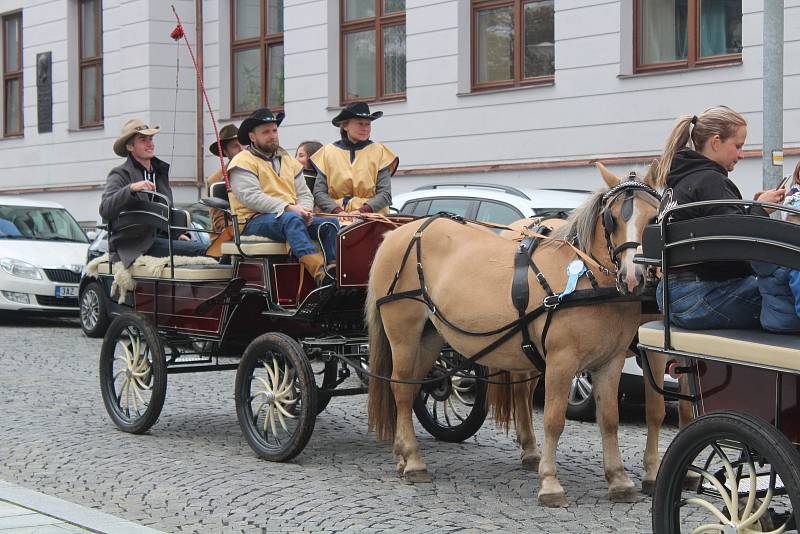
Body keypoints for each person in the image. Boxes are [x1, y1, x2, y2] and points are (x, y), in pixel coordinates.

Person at [653, 105, 785, 330]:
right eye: (738, 146)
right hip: (703, 296)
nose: (741, 154)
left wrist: (753, 209)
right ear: (716, 142)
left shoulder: (677, 185)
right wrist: (760, 210)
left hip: (668, 295)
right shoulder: (712, 181)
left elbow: (716, 234)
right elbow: (736, 245)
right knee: (787, 300)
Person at [227, 108, 339, 285]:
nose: (272, 136)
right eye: (266, 132)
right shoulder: (242, 161)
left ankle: (334, 270)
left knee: (329, 224)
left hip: (289, 216)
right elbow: (251, 197)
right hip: (252, 221)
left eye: (274, 130)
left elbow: (304, 194)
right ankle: (320, 273)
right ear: (252, 137)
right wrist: (288, 208)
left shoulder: (288, 160)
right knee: (291, 220)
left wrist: (305, 210)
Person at [99, 118, 207, 268]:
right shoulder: (120, 174)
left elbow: (167, 211)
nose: (150, 143)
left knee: (211, 247)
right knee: (203, 250)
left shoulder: (159, 172)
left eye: (151, 138)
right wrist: (131, 189)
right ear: (130, 146)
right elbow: (105, 208)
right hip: (136, 245)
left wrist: (178, 235)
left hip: (160, 241)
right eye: (143, 139)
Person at [311, 102, 397, 214]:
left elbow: (385, 194)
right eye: (360, 123)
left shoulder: (380, 151)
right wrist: (338, 211)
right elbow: (319, 193)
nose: (365, 128)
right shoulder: (327, 152)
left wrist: (362, 211)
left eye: (368, 124)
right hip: (335, 216)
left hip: (371, 217)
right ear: (345, 126)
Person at [205, 123, 244, 234]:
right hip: (226, 242)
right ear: (225, 152)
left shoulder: (257, 170)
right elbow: (219, 222)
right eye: (235, 146)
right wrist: (242, 228)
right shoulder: (215, 180)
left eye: (243, 144)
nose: (241, 149)